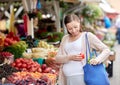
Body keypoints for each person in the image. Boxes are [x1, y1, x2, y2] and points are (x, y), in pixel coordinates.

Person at [55, 14, 111, 85]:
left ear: (79, 23)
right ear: (66, 27)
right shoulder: (65, 38)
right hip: (67, 77)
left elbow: (106, 49)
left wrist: (97, 60)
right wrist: (70, 57)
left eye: (75, 27)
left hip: (83, 77)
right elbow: (57, 58)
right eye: (70, 29)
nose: (74, 30)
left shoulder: (87, 36)